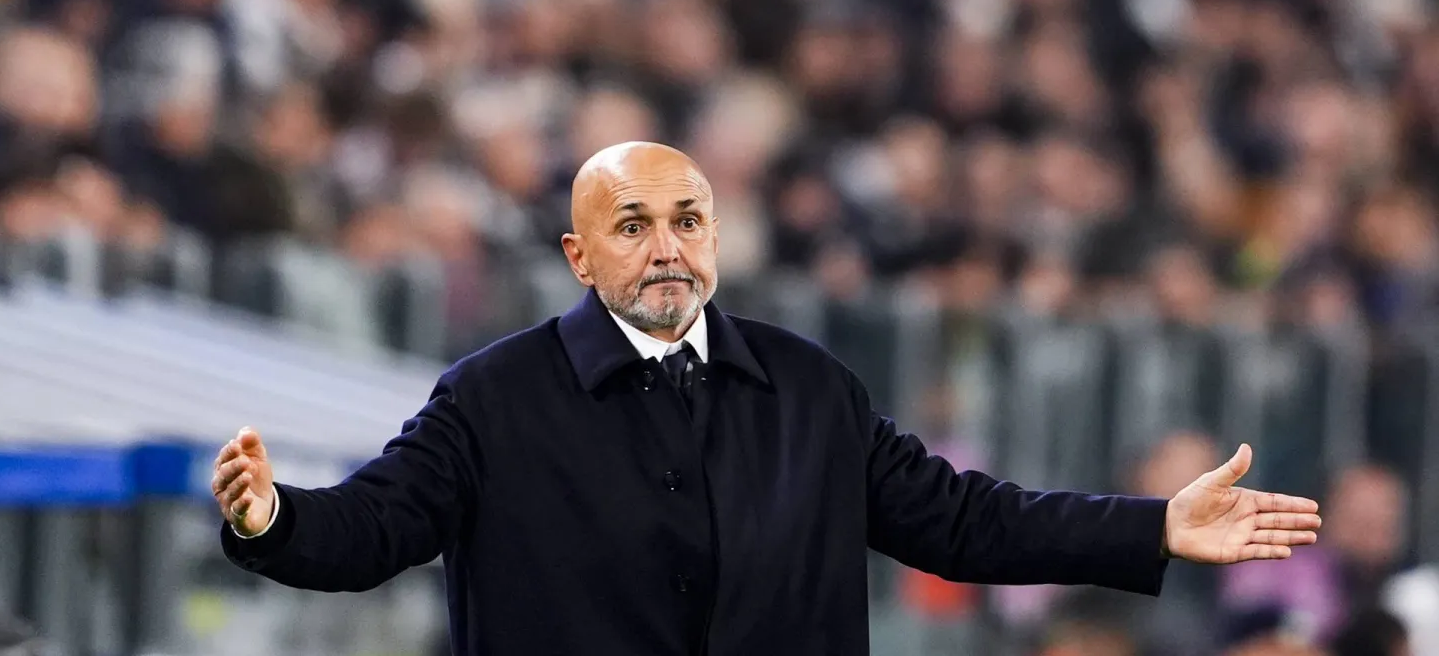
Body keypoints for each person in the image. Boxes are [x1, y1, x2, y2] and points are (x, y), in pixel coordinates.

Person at [213, 142, 1322, 656]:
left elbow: (965, 520)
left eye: (687, 220)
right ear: (578, 257)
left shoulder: (809, 386)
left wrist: (1152, 526)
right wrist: (273, 517)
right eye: (633, 225)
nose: (667, 248)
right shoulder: (493, 397)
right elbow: (377, 526)